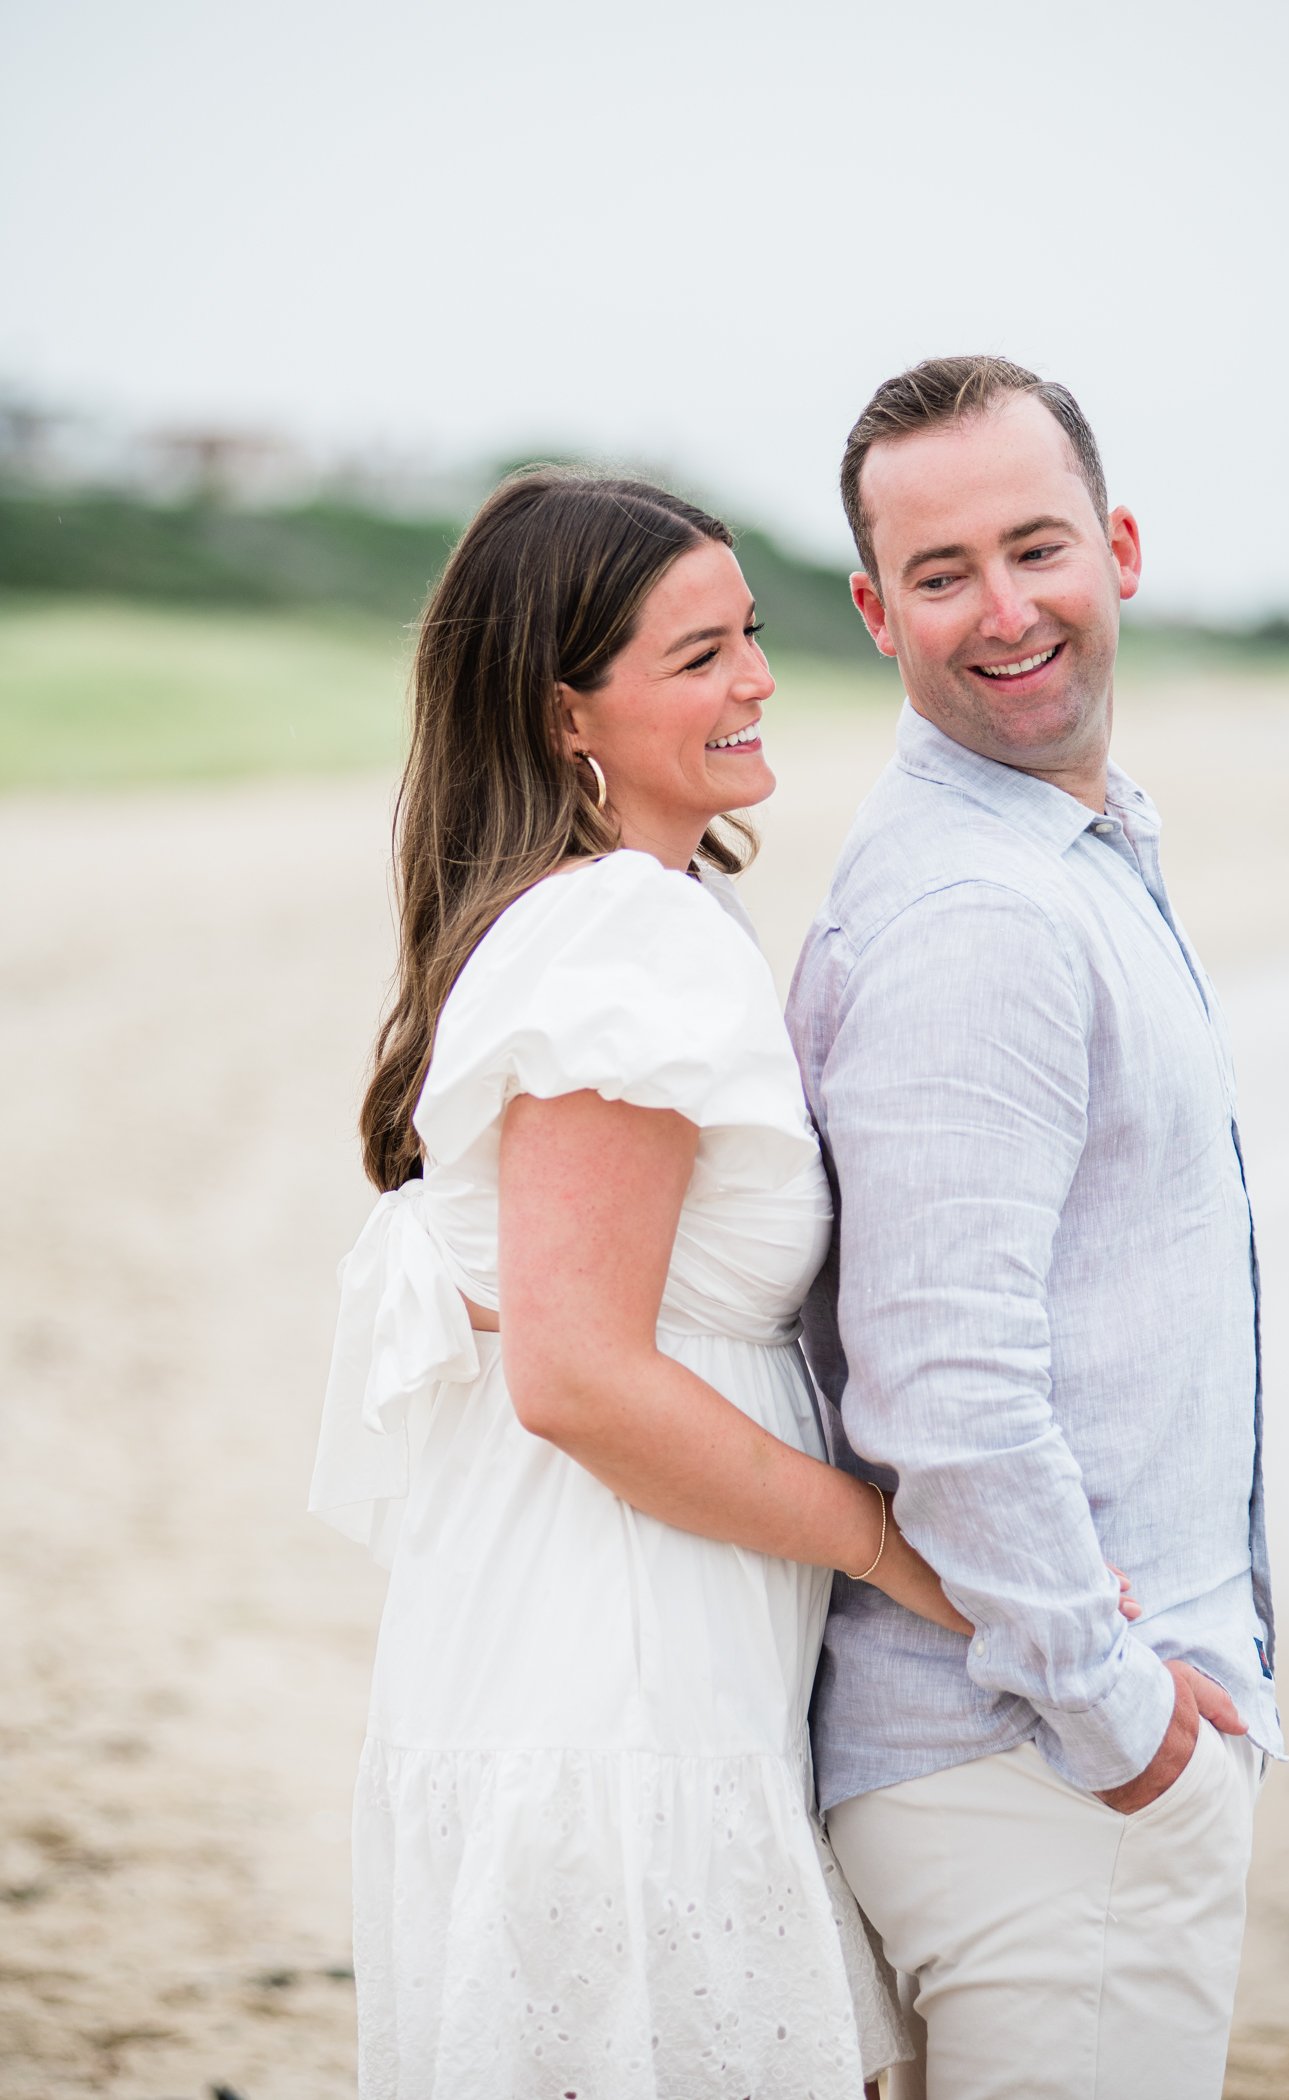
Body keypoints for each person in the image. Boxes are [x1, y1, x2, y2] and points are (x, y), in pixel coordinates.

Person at [307, 467, 963, 2098]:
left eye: (747, 634)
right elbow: (580, 1375)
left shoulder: (635, 913)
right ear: (565, 714)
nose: (757, 678)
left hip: (580, 1649)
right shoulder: (621, 942)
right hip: (613, 1683)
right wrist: (892, 1548)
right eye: (698, 655)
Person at [787, 356, 1286, 2100]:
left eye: (1035, 548)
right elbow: (942, 1382)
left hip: (1036, 1774)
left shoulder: (1070, 852)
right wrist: (1123, 1721)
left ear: (1120, 547)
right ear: (874, 611)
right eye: (942, 575)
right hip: (1037, 1785)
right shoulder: (981, 913)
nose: (1004, 612)